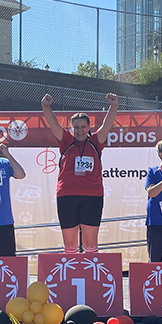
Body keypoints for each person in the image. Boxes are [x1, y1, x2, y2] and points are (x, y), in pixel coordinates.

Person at [41, 92, 119, 254]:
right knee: (70, 245)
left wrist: (114, 106)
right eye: (76, 127)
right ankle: (70, 277)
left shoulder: (96, 142)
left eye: (83, 127)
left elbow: (107, 125)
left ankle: (91, 276)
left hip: (92, 196)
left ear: (89, 127)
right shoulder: (66, 141)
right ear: (71, 128)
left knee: (90, 245)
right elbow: (54, 124)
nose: (79, 130)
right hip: (67, 196)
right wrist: (45, 106)